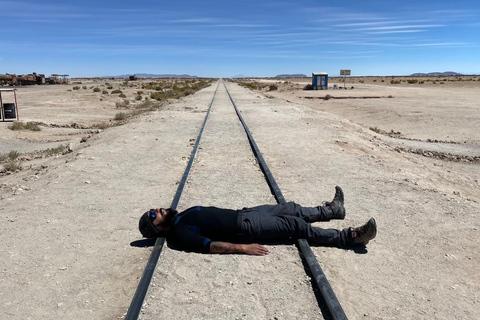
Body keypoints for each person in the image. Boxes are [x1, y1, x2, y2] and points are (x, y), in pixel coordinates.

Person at [138, 186, 377, 256]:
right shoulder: (178, 235)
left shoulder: (179, 217)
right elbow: (209, 246)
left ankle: (333, 211)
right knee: (294, 226)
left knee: (291, 209)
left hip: (245, 213)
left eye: (152, 210)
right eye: (153, 215)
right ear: (157, 228)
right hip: (246, 228)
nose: (156, 209)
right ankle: (350, 237)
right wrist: (243, 248)